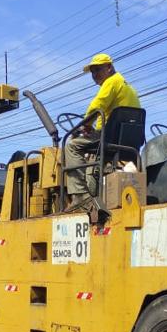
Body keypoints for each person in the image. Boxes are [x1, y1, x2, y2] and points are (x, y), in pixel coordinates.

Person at [64, 53, 141, 216]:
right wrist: (92, 127)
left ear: (109, 67)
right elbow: (112, 113)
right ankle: (97, 196)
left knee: (71, 146)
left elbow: (96, 105)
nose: (95, 75)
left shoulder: (111, 82)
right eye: (92, 72)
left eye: (98, 70)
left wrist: (85, 124)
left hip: (109, 137)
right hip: (127, 138)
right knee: (94, 159)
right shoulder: (127, 86)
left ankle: (80, 197)